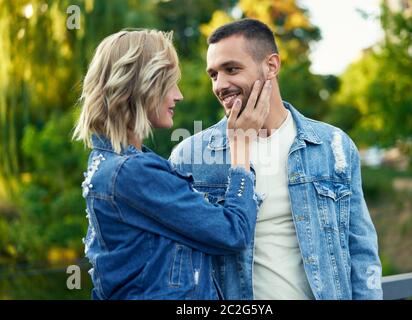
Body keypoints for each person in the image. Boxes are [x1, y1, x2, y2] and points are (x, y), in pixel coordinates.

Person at [170, 19, 383, 300]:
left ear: (271, 66)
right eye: (213, 74)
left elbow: (362, 250)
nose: (220, 85)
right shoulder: (190, 156)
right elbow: (178, 266)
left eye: (231, 69)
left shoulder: (333, 145)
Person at [72, 29, 272, 299]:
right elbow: (233, 232)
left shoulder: (107, 162)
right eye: (170, 84)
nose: (178, 95)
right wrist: (240, 149)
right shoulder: (132, 172)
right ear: (144, 84)